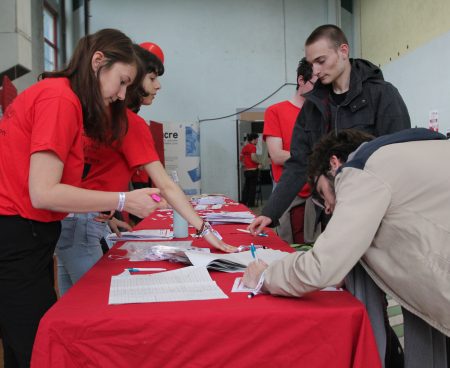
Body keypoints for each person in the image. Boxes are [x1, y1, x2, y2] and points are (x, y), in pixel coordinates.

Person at [0, 29, 163, 368]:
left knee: (29, 334)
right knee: (38, 345)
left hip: (33, 232)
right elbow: (43, 192)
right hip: (18, 231)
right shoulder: (60, 99)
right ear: (98, 61)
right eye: (121, 82)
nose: (121, 95)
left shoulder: (63, 99)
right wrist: (123, 201)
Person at [244, 128, 450, 368]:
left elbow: (322, 267)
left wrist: (265, 277)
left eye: (322, 194)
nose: (329, 209)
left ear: (334, 163)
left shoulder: (361, 169)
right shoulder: (412, 147)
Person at [55, 42, 237, 296]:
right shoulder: (128, 123)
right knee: (93, 302)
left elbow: (93, 174)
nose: (158, 86)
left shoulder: (102, 116)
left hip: (74, 219)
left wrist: (110, 216)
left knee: (69, 305)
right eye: (152, 78)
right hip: (82, 223)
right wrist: (205, 230)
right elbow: (166, 185)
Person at [249, 24, 411, 236]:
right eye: (311, 64)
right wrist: (270, 212)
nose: (315, 71)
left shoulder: (382, 95)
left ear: (343, 51)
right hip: (330, 215)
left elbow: (399, 158)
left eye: (321, 61)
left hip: (376, 217)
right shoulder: (313, 107)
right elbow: (299, 162)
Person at [263, 57, 317, 244]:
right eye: (315, 83)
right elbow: (277, 155)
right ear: (301, 80)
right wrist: (316, 159)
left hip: (318, 195)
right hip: (289, 195)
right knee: (289, 247)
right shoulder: (276, 111)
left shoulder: (321, 113)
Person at [240, 132, 260, 207]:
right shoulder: (252, 147)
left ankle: (244, 202)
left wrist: (245, 163)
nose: (257, 141)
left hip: (246, 170)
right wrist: (259, 162)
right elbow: (253, 158)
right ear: (254, 139)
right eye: (257, 139)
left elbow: (241, 158)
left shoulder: (245, 147)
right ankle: (251, 204)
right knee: (252, 188)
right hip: (253, 170)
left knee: (246, 187)